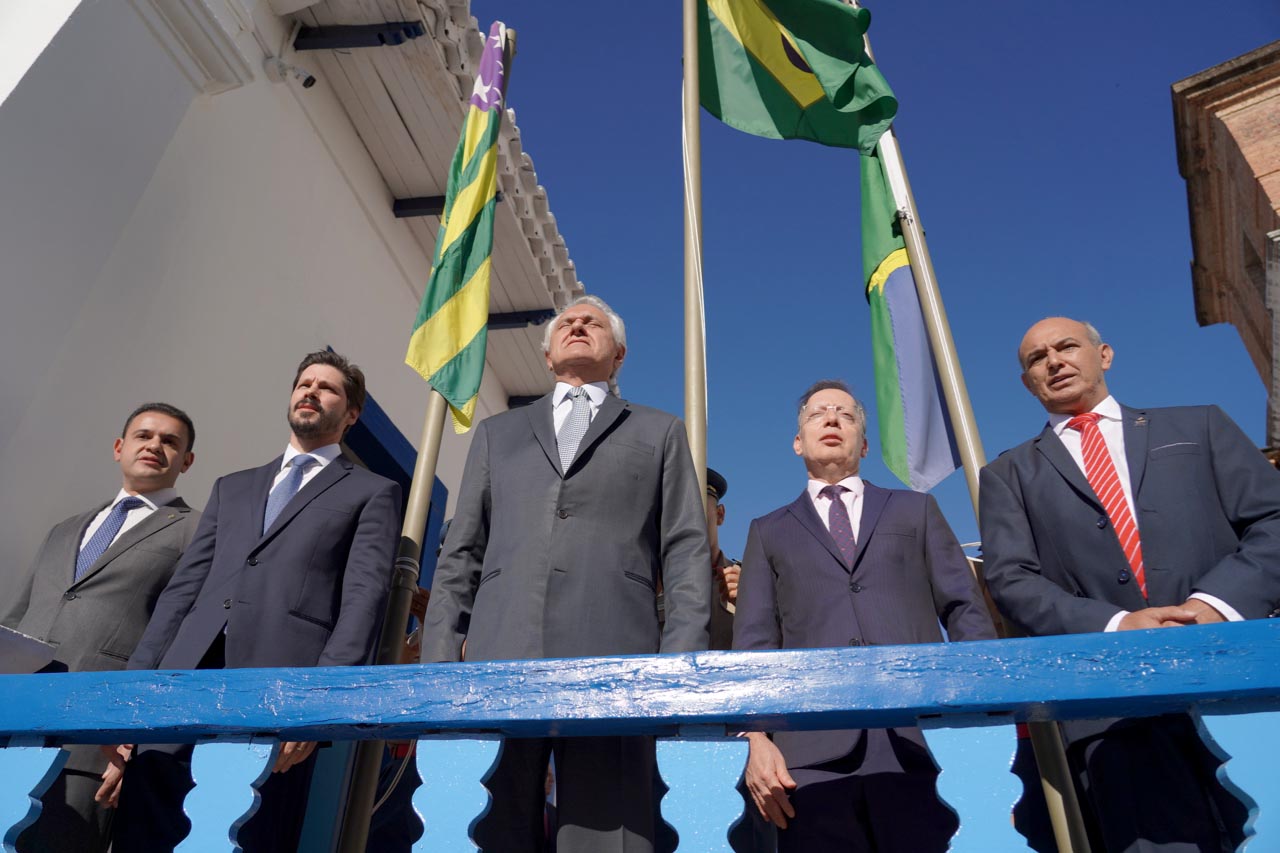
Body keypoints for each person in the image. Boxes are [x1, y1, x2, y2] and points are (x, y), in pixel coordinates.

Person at [421, 294, 710, 853]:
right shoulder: (497, 434)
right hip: (497, 661)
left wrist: (678, 663)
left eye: (592, 323)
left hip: (617, 662)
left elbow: (684, 550)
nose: (577, 325)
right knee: (491, 827)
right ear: (548, 355)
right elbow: (462, 552)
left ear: (618, 354)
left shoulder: (660, 431)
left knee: (608, 835)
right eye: (566, 324)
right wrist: (439, 660)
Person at [979, 316, 1279, 852]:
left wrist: (1213, 604)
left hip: (1241, 683)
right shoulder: (1007, 475)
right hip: (1112, 717)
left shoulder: (1200, 425)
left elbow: (1273, 521)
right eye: (1037, 359)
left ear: (1104, 355)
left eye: (1066, 346)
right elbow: (1011, 579)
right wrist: (1118, 625)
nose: (1054, 361)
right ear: (1027, 383)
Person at [112, 351, 401, 853]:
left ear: (352, 414)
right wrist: (132, 692)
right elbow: (183, 591)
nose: (311, 392)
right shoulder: (233, 487)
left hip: (276, 693)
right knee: (145, 830)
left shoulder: (372, 492)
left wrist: (316, 708)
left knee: (243, 834)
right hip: (181, 682)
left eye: (328, 388)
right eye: (304, 384)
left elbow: (363, 601)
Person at [735, 379, 995, 853]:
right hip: (809, 754)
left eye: (846, 414)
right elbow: (755, 642)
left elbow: (965, 610)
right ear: (798, 442)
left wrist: (979, 713)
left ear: (865, 444)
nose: (832, 419)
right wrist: (756, 737)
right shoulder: (767, 531)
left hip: (921, 739)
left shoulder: (915, 510)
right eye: (817, 413)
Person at [1, 403, 198, 853]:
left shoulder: (196, 531)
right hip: (12, 726)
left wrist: (134, 737)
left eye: (170, 441)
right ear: (118, 447)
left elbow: (182, 643)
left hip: (92, 746)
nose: (154, 445)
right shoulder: (66, 529)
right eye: (143, 435)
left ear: (186, 461)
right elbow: (17, 618)